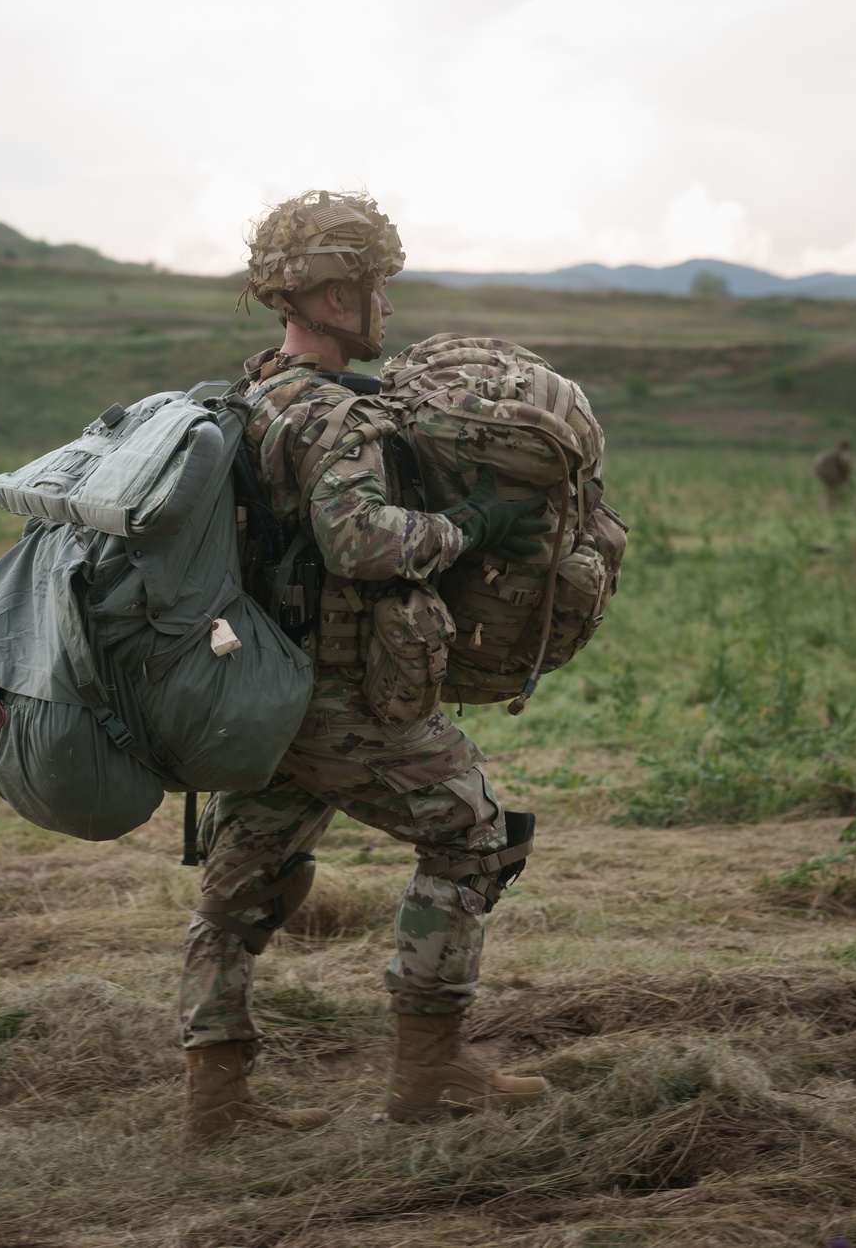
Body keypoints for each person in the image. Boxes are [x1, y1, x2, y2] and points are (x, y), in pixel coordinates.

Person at [179, 190, 552, 1143]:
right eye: (378, 288)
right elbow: (360, 543)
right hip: (339, 698)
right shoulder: (336, 415)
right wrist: (469, 527)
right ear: (338, 299)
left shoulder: (253, 390)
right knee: (471, 834)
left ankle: (215, 1105)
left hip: (253, 699)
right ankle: (429, 1072)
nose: (387, 306)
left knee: (237, 893)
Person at [814, 436, 852, 509]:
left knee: (830, 494)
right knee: (836, 496)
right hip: (835, 479)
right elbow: (845, 468)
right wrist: (846, 480)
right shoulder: (844, 455)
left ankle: (830, 508)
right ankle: (834, 510)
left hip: (826, 477)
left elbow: (817, 463)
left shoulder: (828, 454)